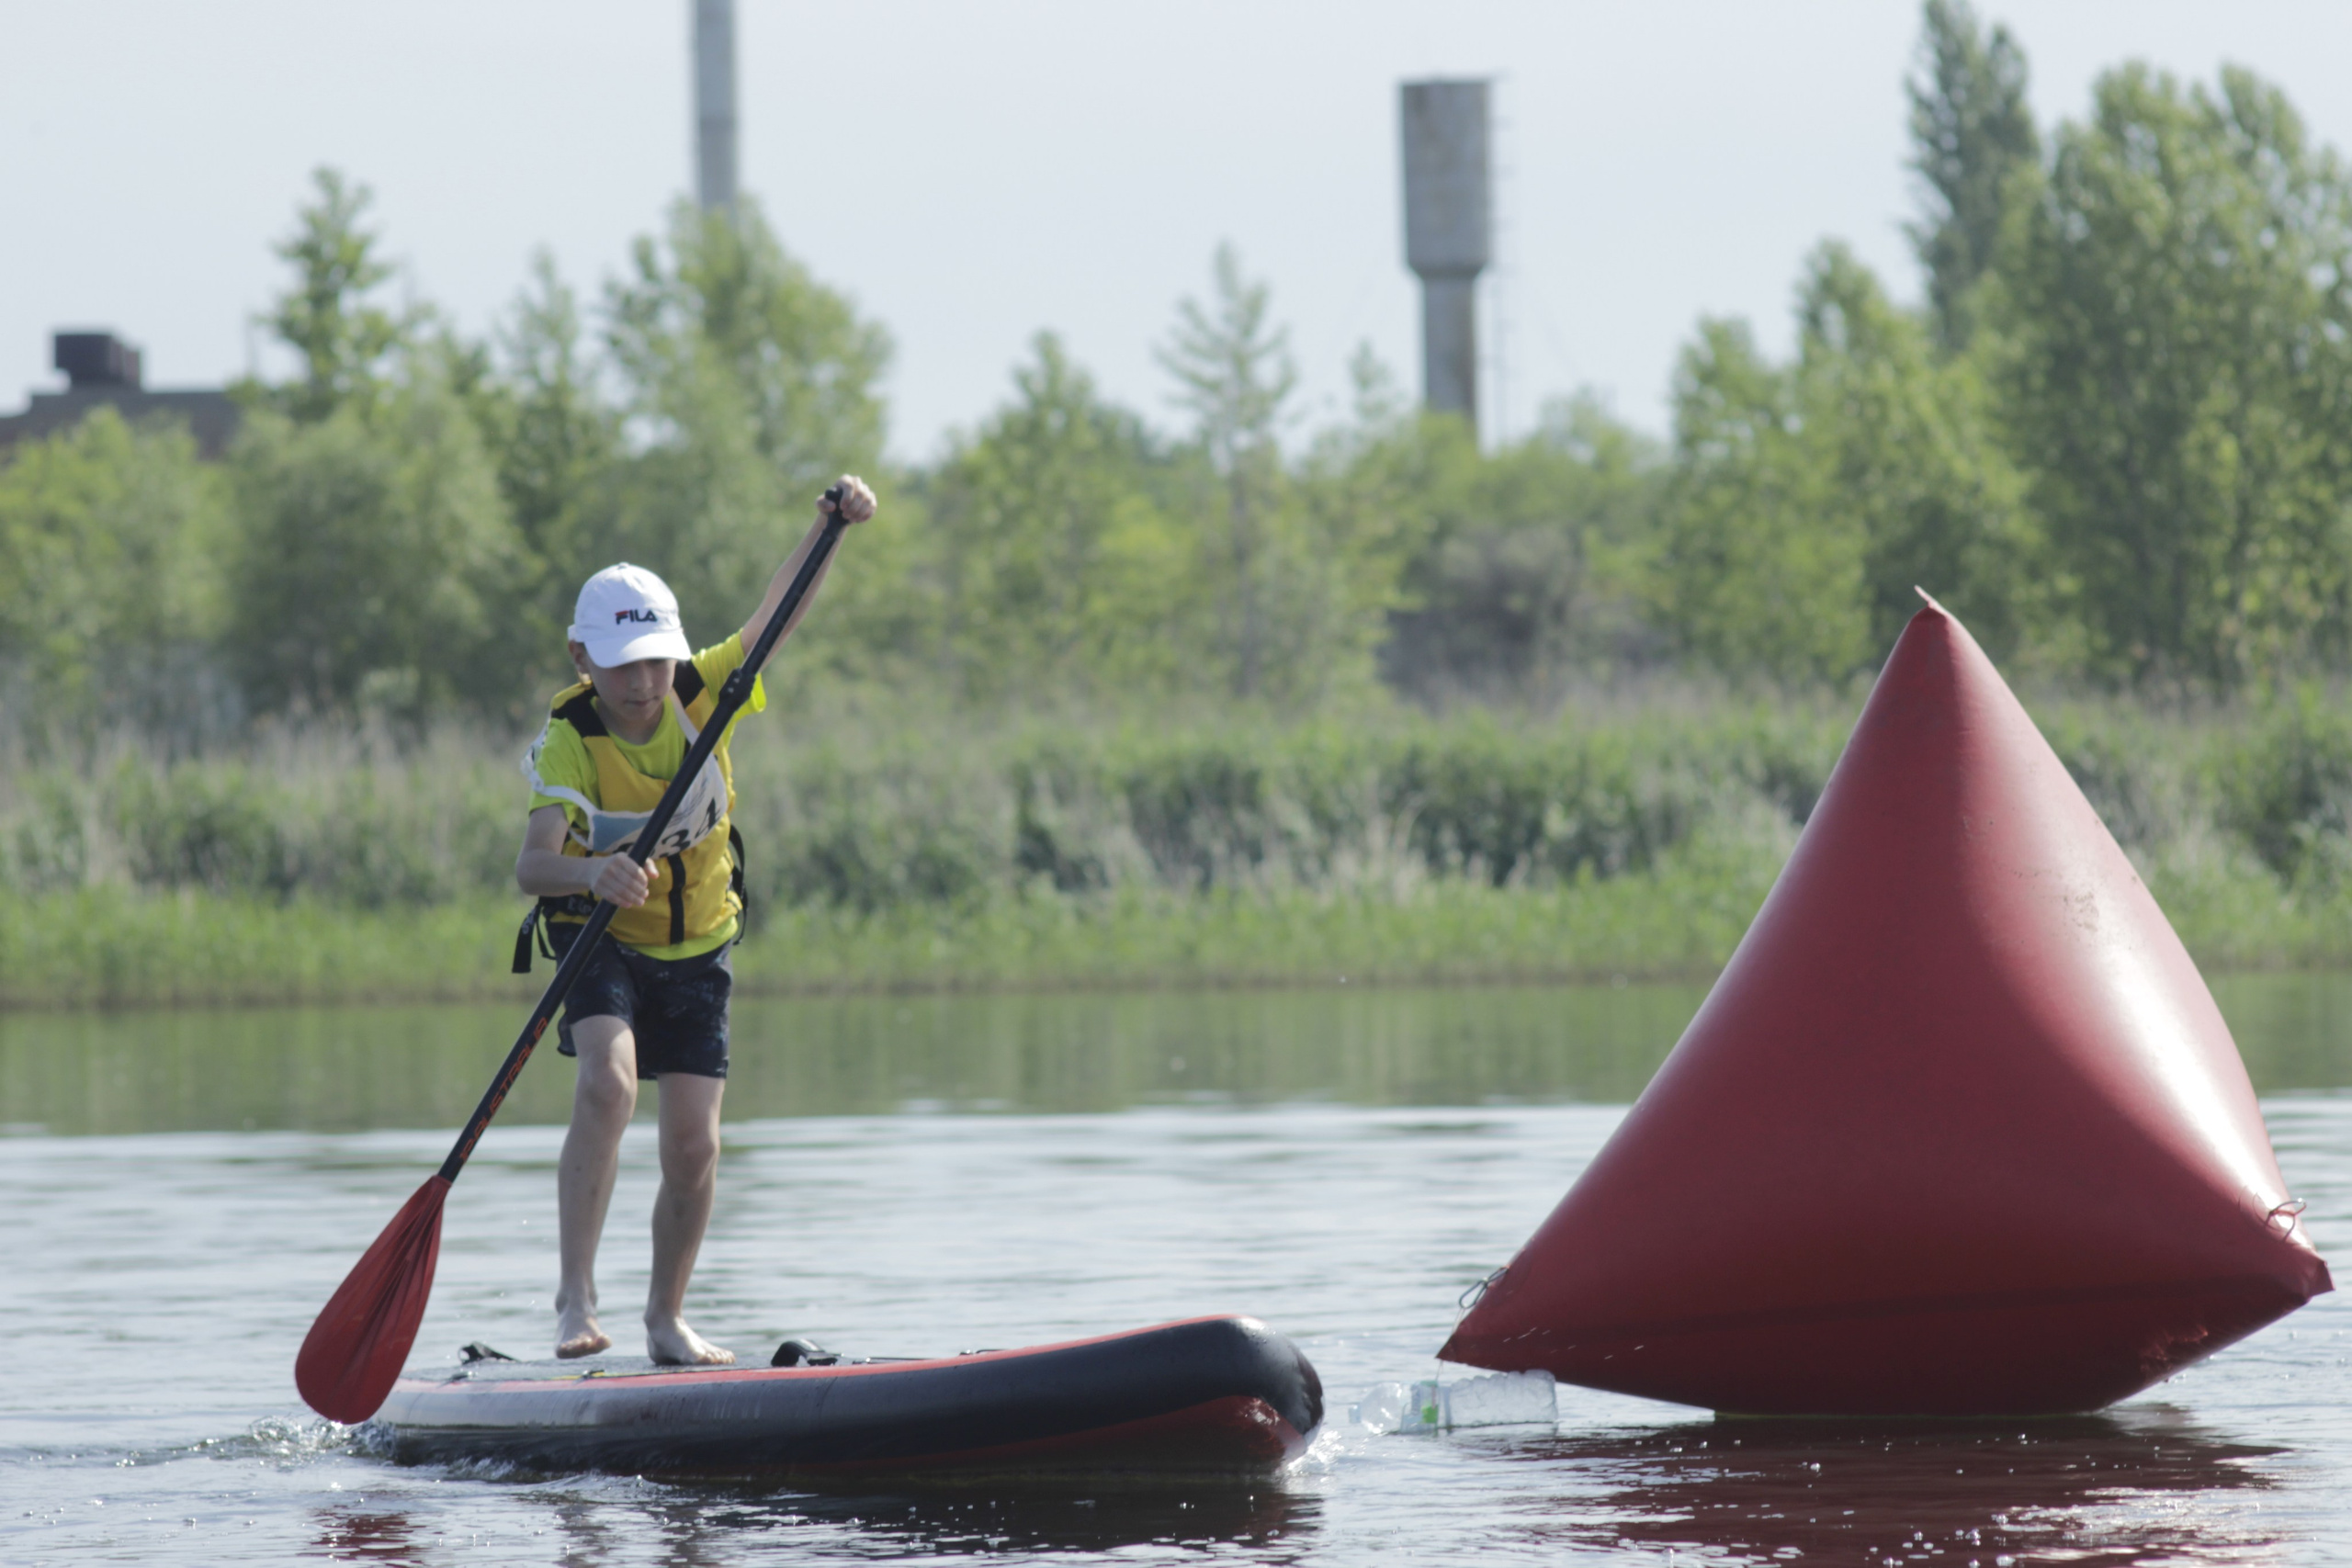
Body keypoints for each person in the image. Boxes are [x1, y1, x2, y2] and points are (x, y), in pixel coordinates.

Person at [514, 476, 876, 1363]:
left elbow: (775, 619)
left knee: (694, 1143)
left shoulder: (700, 695)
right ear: (581, 659)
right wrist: (592, 870)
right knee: (608, 1084)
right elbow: (532, 865)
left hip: (700, 943)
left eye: (656, 663)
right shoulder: (570, 741)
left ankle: (665, 1320)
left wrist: (827, 529)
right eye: (622, 666)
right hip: (601, 942)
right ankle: (574, 1300)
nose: (644, 683)